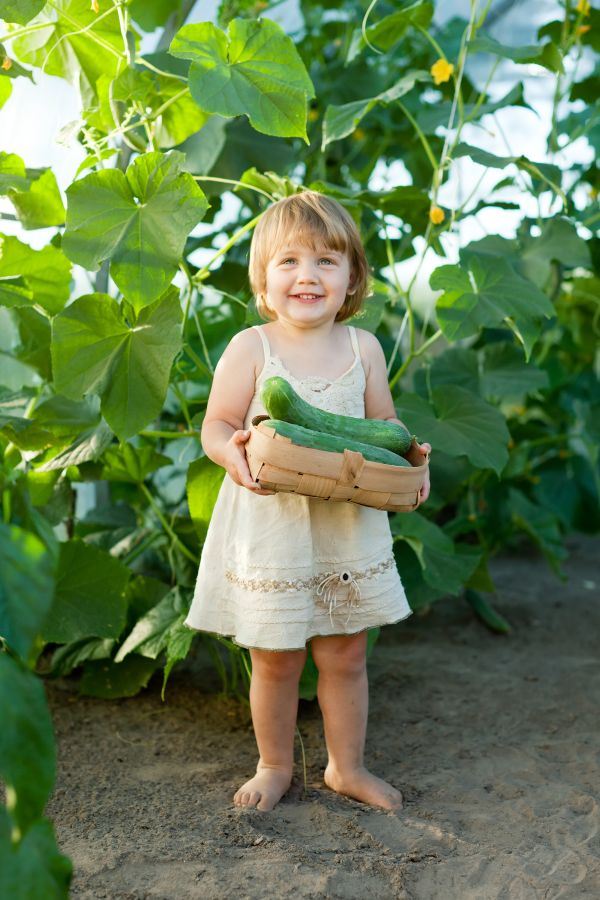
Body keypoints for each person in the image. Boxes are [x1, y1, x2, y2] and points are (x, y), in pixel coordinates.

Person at [185, 190, 431, 813]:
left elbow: (384, 425)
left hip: (345, 521)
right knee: (275, 658)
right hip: (272, 524)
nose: (308, 275)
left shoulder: (363, 348)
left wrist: (409, 456)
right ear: (264, 281)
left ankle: (347, 767)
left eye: (326, 261)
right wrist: (231, 451)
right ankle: (273, 765)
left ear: (352, 278)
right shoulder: (251, 347)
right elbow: (216, 424)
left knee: (346, 654)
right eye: (289, 261)